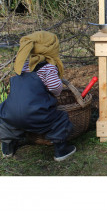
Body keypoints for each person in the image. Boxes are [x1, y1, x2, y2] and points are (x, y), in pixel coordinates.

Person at [0, 31, 76, 161]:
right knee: (60, 119)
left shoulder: (21, 65)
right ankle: (61, 150)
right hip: (36, 112)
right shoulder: (48, 68)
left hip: (11, 113)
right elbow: (54, 87)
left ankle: (7, 147)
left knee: (5, 119)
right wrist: (57, 92)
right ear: (52, 49)